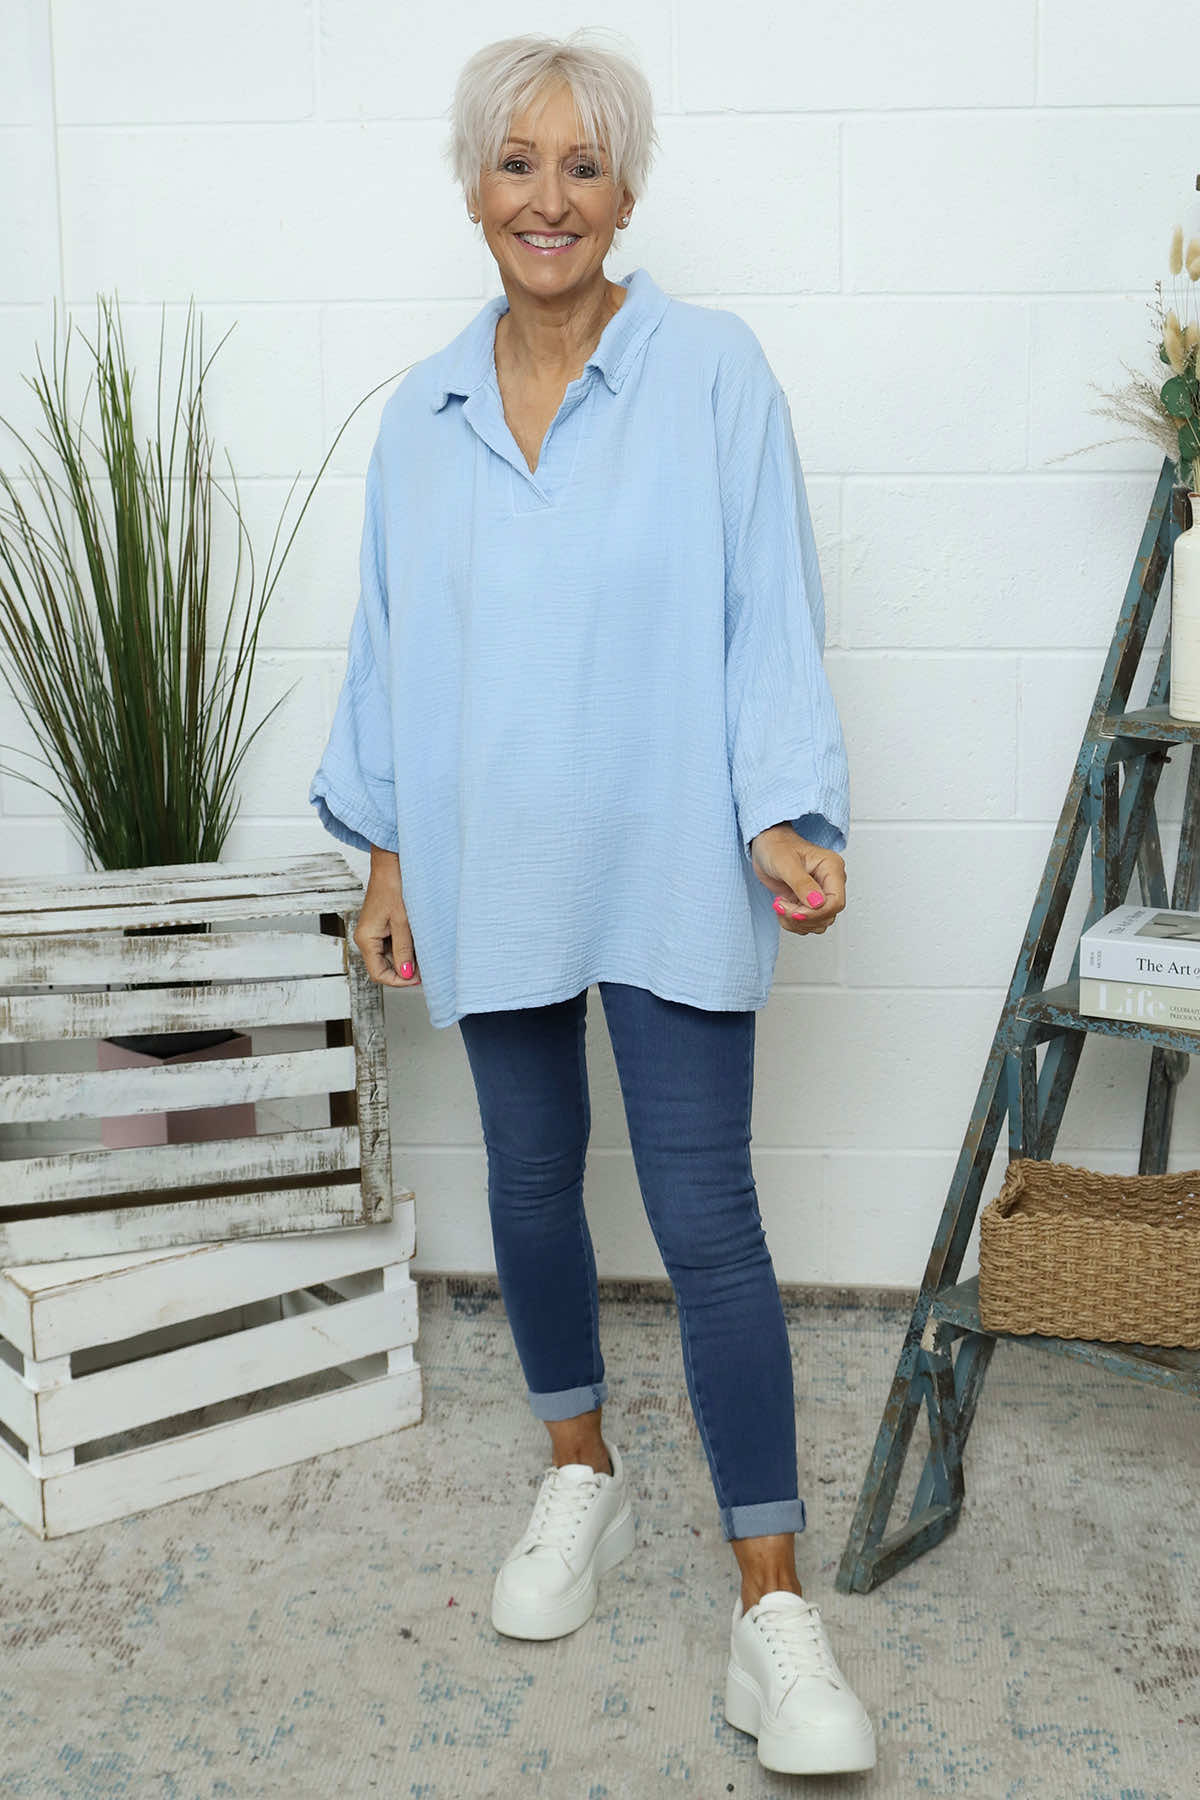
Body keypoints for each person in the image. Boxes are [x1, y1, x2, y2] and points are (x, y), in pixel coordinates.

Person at [309, 28, 874, 1780]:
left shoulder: (711, 374)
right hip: (489, 852)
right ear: (472, 187)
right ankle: (581, 1474)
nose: (547, 198)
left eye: (583, 165)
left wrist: (781, 811)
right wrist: (389, 855)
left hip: (672, 846)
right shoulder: (425, 415)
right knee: (532, 1182)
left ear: (628, 193)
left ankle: (771, 1606)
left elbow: (769, 605)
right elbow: (394, 645)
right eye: (516, 163)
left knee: (707, 1219)